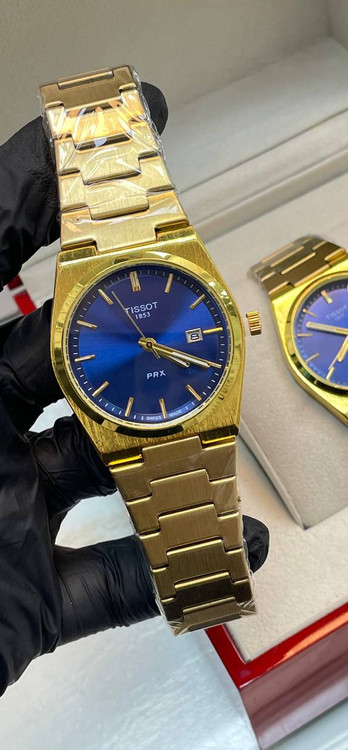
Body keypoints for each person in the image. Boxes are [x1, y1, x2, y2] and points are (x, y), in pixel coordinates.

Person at [0, 82, 269, 695]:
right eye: (144, 341)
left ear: (236, 323)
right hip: (126, 395)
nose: (149, 343)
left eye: (158, 339)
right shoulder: (85, 350)